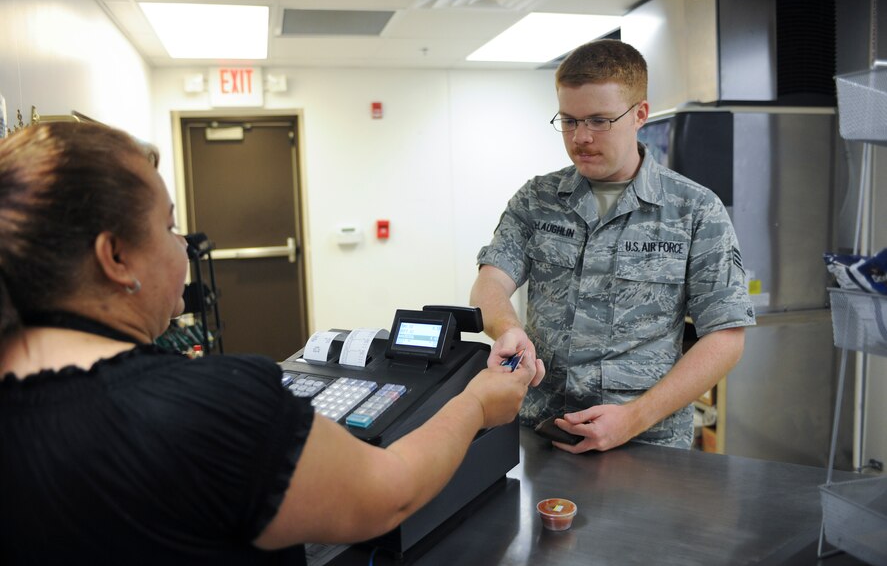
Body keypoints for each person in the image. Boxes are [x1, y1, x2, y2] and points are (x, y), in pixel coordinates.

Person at [0, 122, 544, 565]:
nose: (183, 248)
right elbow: (388, 493)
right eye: (169, 228)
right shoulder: (209, 404)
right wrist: (474, 404)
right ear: (115, 257)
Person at [470, 39, 755, 452]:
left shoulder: (694, 209)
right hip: (541, 427)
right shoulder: (538, 198)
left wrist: (634, 418)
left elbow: (726, 337)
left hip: (646, 441)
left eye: (598, 120)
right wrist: (507, 329)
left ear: (640, 114)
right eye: (568, 120)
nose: (580, 137)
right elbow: (490, 281)